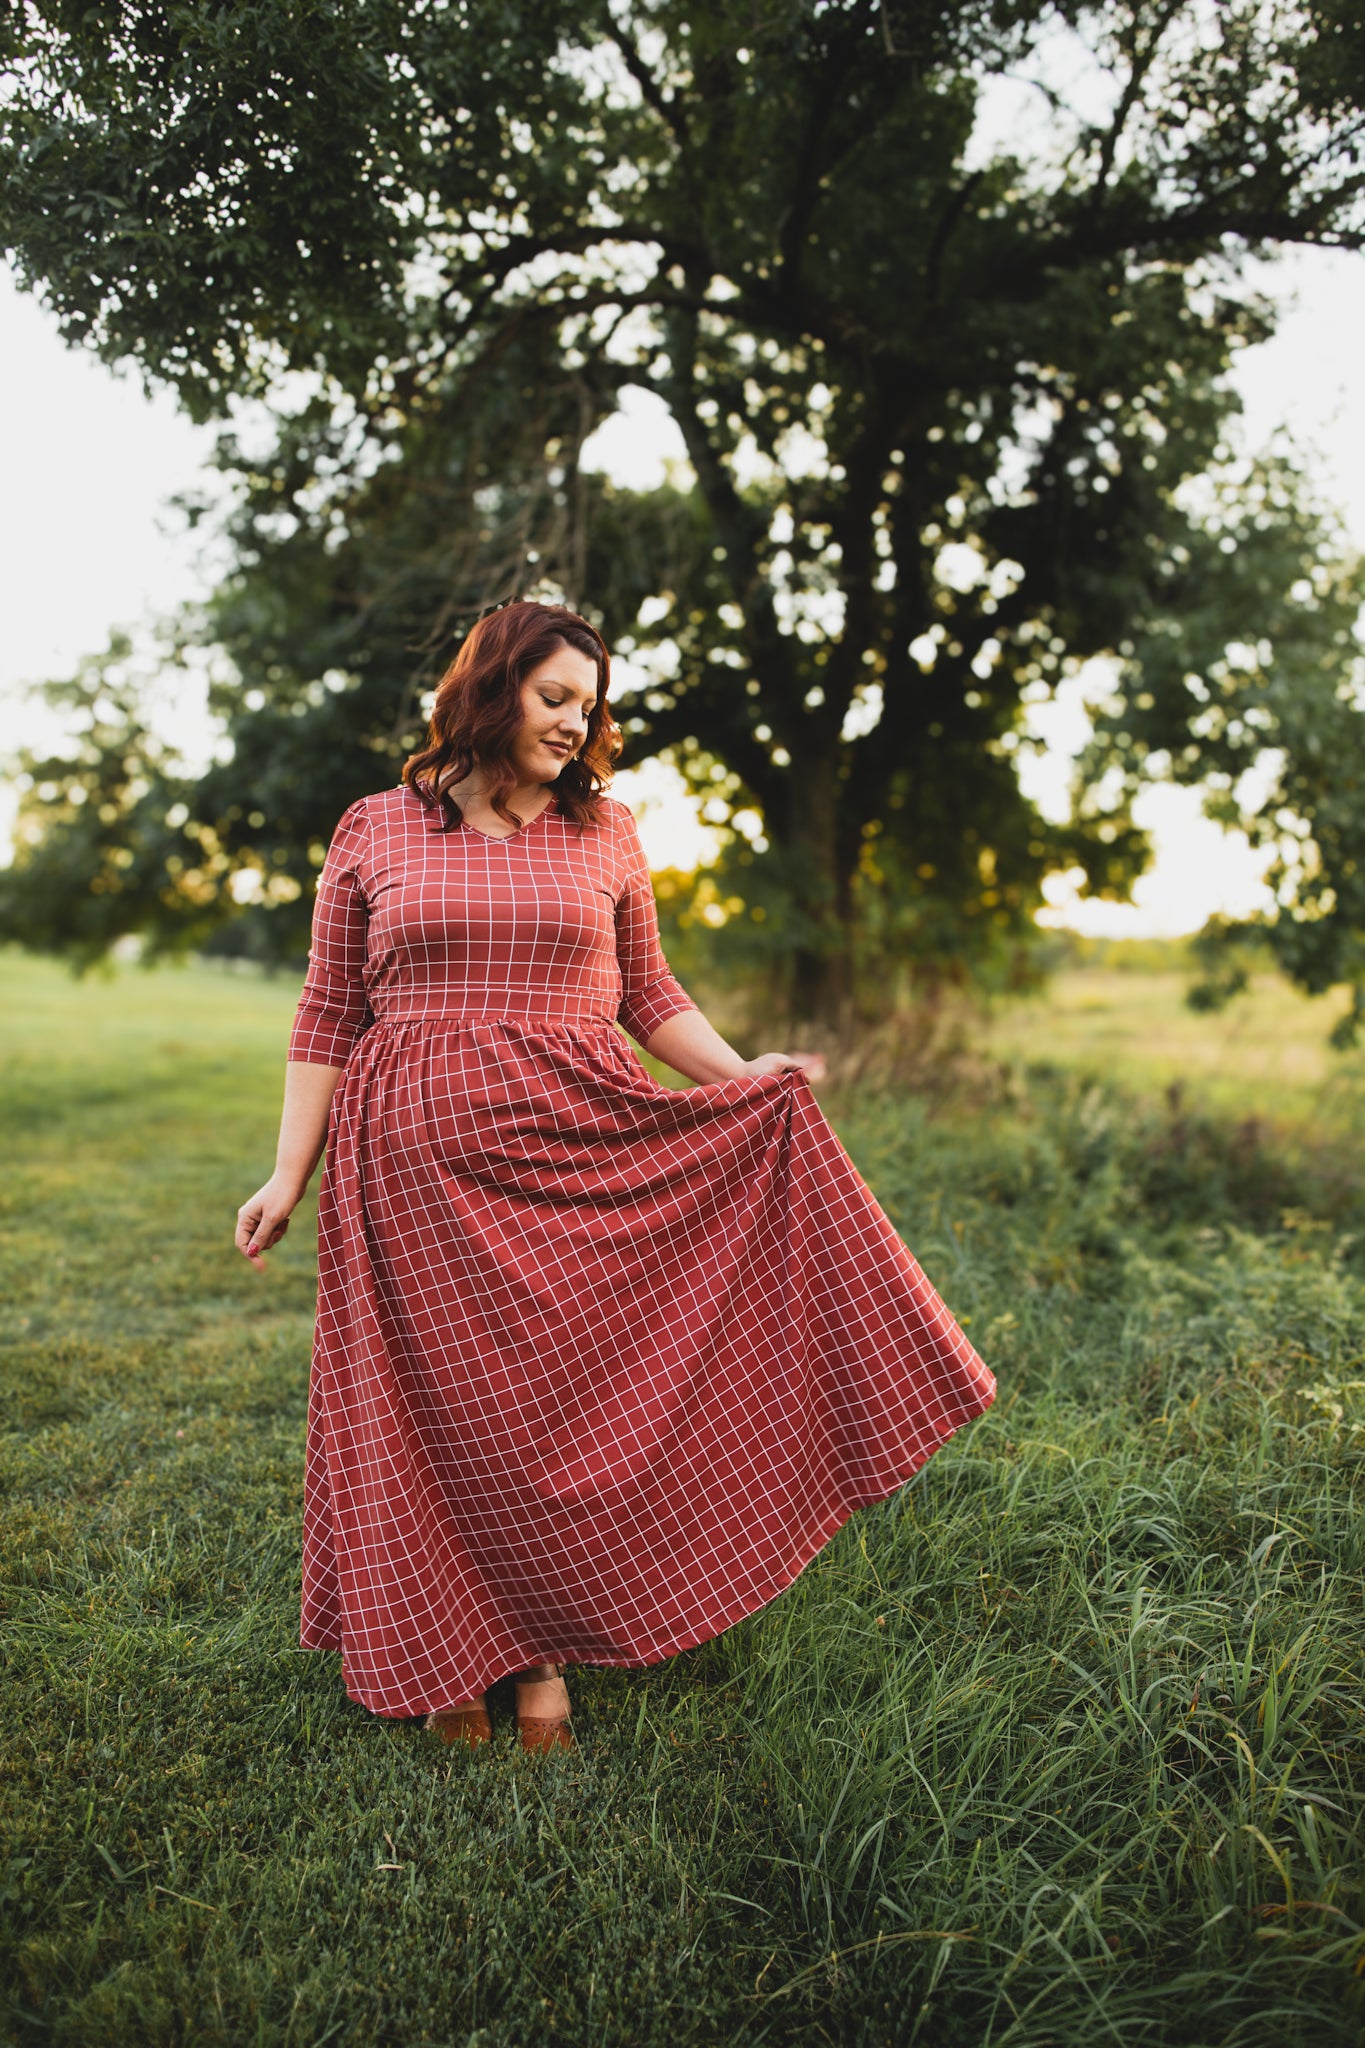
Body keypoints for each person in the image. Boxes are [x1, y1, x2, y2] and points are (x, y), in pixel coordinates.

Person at [236, 600, 994, 1753]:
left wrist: (742, 1078)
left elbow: (649, 992)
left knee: (548, 1405)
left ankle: (541, 1652)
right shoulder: (376, 827)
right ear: (490, 689)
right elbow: (330, 1009)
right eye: (553, 697)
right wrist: (290, 1170)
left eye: (587, 706)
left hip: (578, 1145)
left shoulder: (607, 831)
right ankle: (449, 1656)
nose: (573, 722)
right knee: (440, 1410)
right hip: (410, 1166)